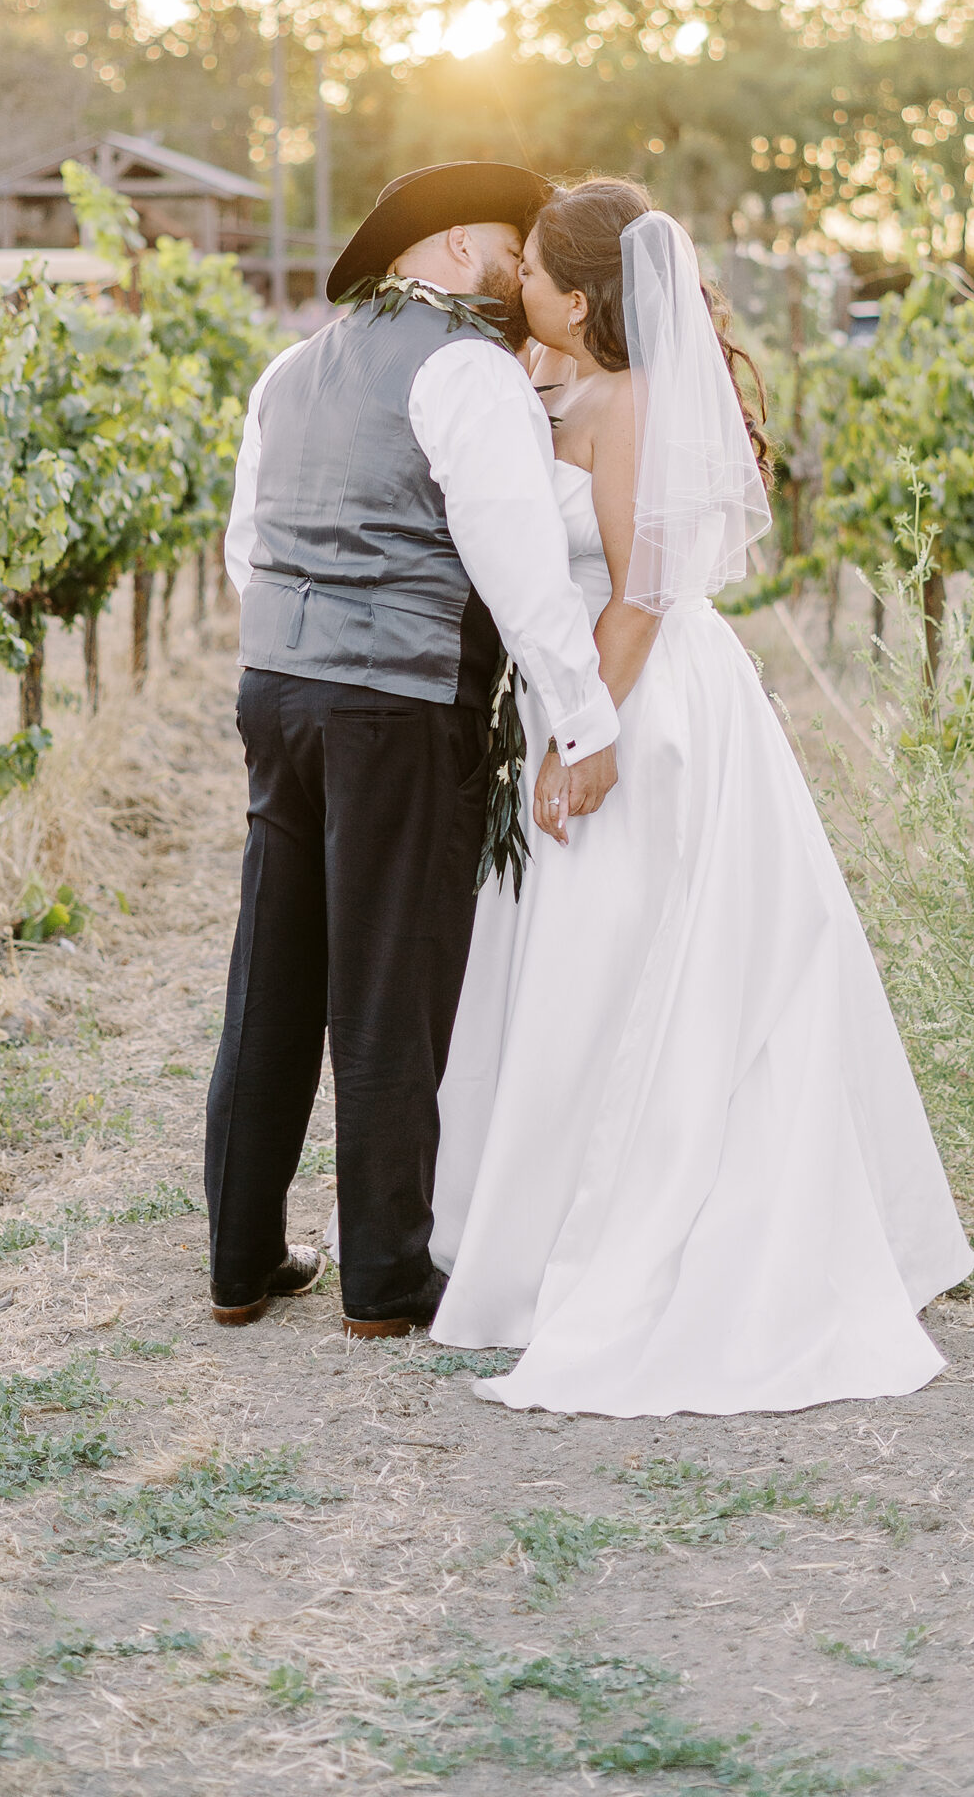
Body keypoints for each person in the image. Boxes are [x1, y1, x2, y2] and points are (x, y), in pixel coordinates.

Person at [431, 178, 974, 1415]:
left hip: (643, 699)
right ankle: (543, 1216)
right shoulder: (586, 378)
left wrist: (585, 735)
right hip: (636, 689)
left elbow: (636, 595)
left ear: (582, 296)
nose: (516, 285)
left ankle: (620, 1221)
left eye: (534, 277)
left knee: (634, 958)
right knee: (606, 958)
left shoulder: (623, 404)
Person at [211, 162, 621, 1338]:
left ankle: (239, 1261)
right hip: (395, 705)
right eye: (507, 244)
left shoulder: (290, 367)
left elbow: (250, 542)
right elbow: (515, 562)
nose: (519, 266)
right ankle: (384, 1275)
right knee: (391, 982)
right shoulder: (469, 370)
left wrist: (307, 636)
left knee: (273, 974)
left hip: (277, 687)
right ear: (445, 250)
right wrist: (582, 713)